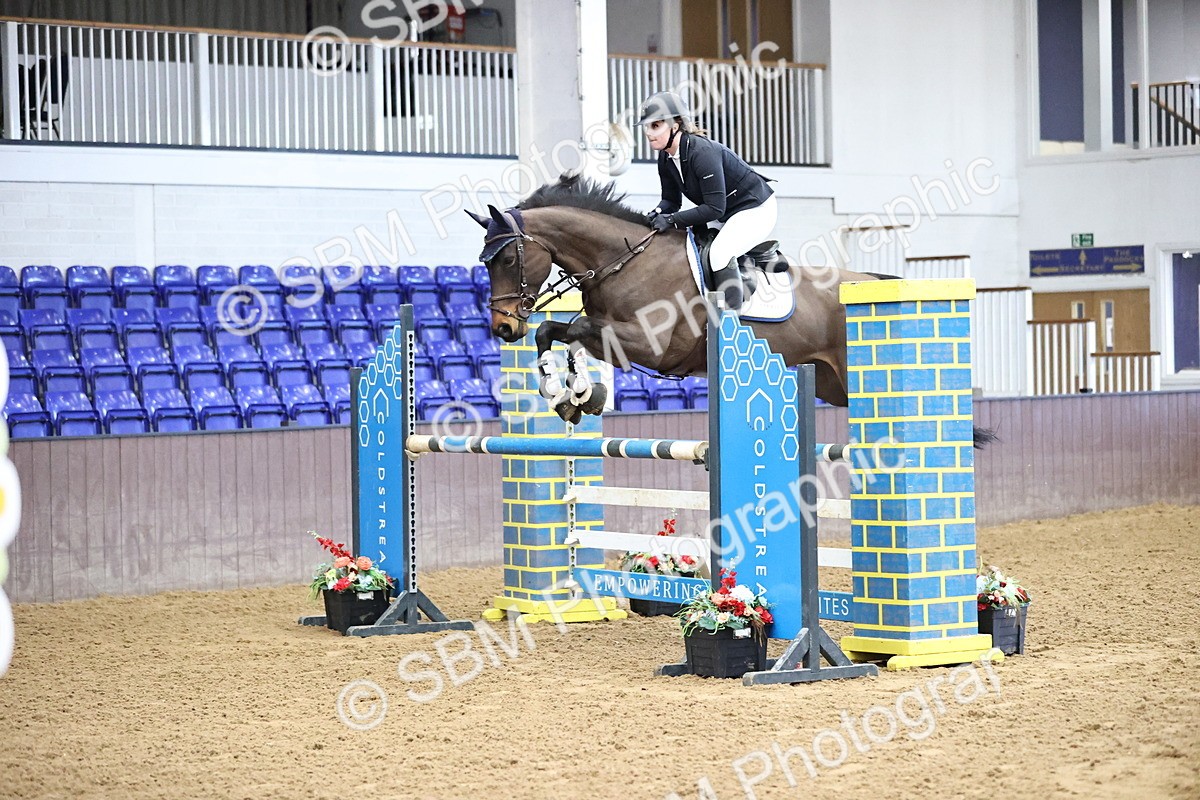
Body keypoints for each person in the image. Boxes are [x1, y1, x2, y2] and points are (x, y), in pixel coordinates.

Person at [636, 91, 777, 310]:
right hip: (725, 212)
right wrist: (655, 213)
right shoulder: (665, 157)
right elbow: (670, 201)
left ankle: (730, 326)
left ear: (676, 126)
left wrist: (671, 220)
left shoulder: (702, 152)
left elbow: (714, 208)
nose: (648, 133)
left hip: (755, 209)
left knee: (719, 255)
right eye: (646, 127)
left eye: (655, 126)